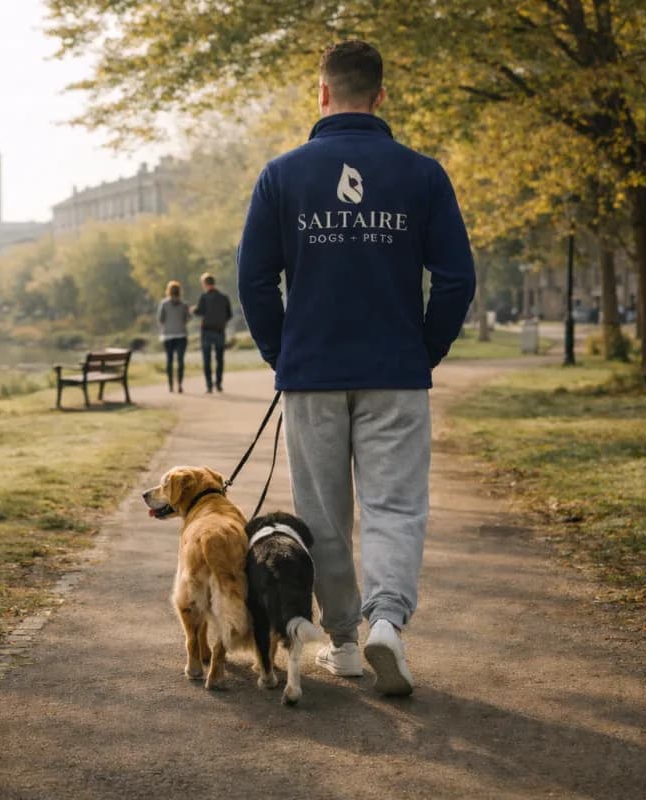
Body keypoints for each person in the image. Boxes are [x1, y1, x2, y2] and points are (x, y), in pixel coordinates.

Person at [236, 40, 475, 696]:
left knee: (323, 513)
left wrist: (280, 351)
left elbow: (254, 280)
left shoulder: (281, 176)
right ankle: (387, 622)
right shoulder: (423, 175)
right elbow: (456, 278)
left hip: (311, 371)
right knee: (395, 505)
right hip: (395, 368)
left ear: (322, 93)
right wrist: (425, 349)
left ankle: (342, 641)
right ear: (380, 94)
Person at [191, 272, 233, 393]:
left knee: (207, 359)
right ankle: (218, 384)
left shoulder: (204, 297)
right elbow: (229, 315)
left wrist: (193, 309)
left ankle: (209, 386)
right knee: (219, 359)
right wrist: (222, 321)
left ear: (205, 283)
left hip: (207, 331)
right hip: (220, 331)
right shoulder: (224, 297)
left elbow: (199, 311)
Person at [157, 280, 190, 393]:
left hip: (168, 336)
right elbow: (187, 319)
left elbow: (160, 319)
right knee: (180, 361)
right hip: (181, 335)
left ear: (168, 291)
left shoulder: (164, 304)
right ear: (179, 291)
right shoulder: (184, 305)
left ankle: (170, 385)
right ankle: (179, 384)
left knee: (169, 360)